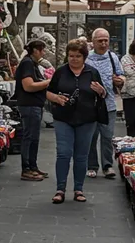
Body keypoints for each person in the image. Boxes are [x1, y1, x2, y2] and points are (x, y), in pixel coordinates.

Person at [46, 39, 107, 204]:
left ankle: (79, 189)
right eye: (71, 56)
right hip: (63, 118)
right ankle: (60, 189)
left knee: (81, 156)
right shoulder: (60, 72)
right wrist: (57, 98)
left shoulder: (92, 72)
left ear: (84, 57)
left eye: (77, 56)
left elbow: (102, 94)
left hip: (87, 119)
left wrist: (102, 91)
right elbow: (49, 92)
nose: (73, 59)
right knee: (63, 153)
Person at [86, 28, 124, 179]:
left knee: (107, 136)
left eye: (105, 40)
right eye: (100, 41)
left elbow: (121, 75)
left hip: (109, 104)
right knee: (91, 137)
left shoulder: (112, 57)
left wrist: (119, 81)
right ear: (93, 42)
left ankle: (107, 166)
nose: (103, 43)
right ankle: (92, 166)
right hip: (91, 105)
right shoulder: (87, 58)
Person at [14, 40, 50, 181]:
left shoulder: (32, 63)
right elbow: (28, 86)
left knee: (34, 137)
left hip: (34, 105)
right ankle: (27, 168)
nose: (44, 53)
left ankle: (33, 166)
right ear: (35, 50)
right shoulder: (27, 63)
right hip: (29, 105)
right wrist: (48, 82)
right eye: (42, 50)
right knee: (29, 137)